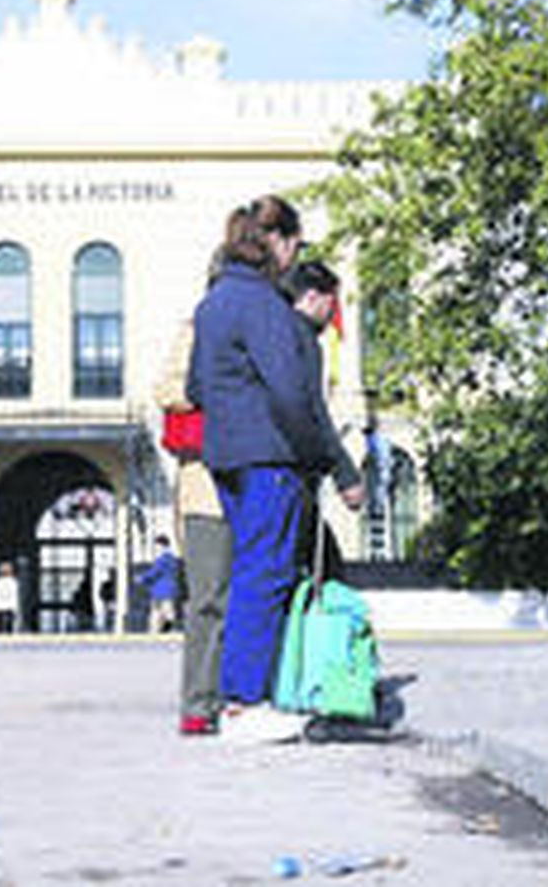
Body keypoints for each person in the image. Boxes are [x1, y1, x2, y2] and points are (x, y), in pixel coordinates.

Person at [187, 194, 321, 744]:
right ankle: (245, 702)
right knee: (265, 575)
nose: (295, 256)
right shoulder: (265, 304)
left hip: (226, 454)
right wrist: (312, 450)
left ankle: (238, 698)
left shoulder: (213, 303)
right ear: (279, 243)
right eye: (295, 244)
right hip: (269, 454)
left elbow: (196, 388)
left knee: (247, 572)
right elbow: (290, 390)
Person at [155, 304, 234, 736]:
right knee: (208, 599)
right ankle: (200, 703)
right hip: (206, 486)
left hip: (259, 475)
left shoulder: (270, 322)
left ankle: (246, 695)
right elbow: (166, 389)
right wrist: (218, 390)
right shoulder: (195, 329)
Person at [281, 260, 365, 521]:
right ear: (312, 297)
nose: (332, 315)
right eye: (331, 304)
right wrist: (345, 474)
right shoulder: (302, 338)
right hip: (292, 470)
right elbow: (313, 409)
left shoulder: (274, 331)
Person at [138, 536, 184, 633]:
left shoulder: (163, 559)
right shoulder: (172, 559)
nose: (155, 548)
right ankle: (166, 628)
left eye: (157, 546)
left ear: (162, 546)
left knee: (159, 611)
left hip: (161, 590)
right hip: (170, 589)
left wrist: (141, 578)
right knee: (166, 610)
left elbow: (154, 572)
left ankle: (157, 630)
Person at [0, 561, 19, 635]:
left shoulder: (13, 582)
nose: (5, 572)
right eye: (4, 570)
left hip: (9, 608)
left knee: (9, 629)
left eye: (7, 570)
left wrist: (14, 609)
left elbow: (14, 596)